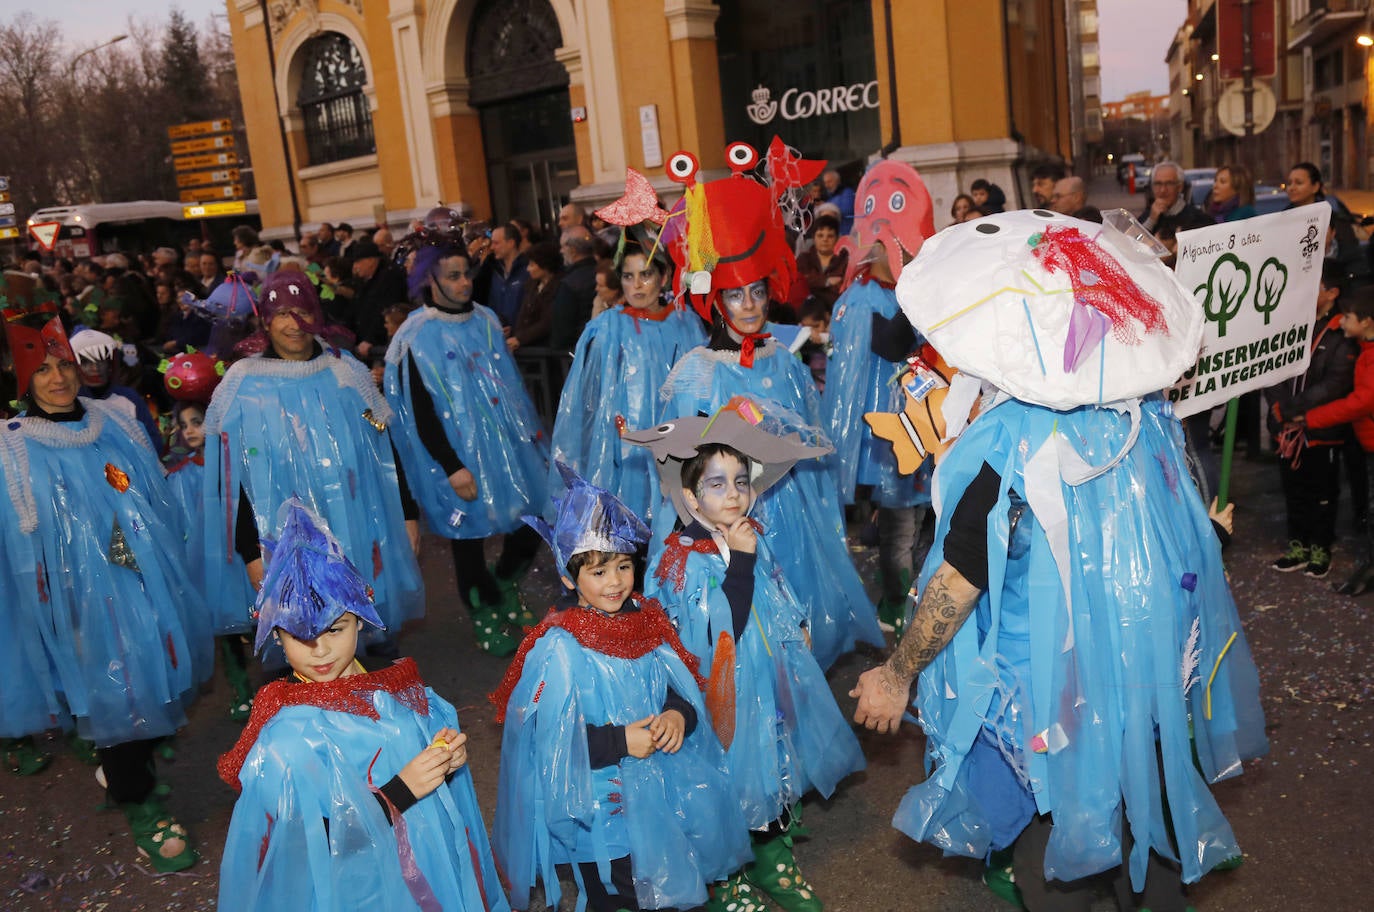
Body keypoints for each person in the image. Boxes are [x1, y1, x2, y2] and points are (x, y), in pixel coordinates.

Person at [850, 209, 1267, 912]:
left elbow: (961, 575)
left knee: (1060, 864)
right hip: (1143, 693)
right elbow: (1177, 546)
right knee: (1149, 841)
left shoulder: (1005, 442)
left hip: (1046, 707)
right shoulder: (1149, 423)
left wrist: (897, 674)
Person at [0, 280, 209, 872]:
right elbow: (17, 545)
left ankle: (126, 773)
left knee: (152, 680)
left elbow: (151, 495)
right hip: (75, 603)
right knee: (116, 693)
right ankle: (140, 804)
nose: (58, 379)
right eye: (43, 371)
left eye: (64, 365)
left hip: (141, 583)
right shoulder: (11, 449)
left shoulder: (112, 420)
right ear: (23, 379)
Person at [217, 499, 509, 912]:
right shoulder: (284, 740)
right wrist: (401, 790)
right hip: (354, 893)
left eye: (336, 628)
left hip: (422, 874)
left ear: (360, 620)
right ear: (277, 637)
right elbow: (301, 847)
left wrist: (445, 760)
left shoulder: (395, 690)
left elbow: (425, 776)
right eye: (300, 636)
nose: (321, 651)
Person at [658, 145, 883, 670]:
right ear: (716, 301)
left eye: (758, 291)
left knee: (801, 632)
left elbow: (810, 435)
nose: (752, 305)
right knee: (748, 640)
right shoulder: (698, 370)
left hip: (790, 512)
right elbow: (680, 468)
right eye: (737, 295)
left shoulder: (783, 358)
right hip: (733, 520)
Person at [632, 405, 865, 912]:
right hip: (720, 698)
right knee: (732, 779)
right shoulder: (682, 557)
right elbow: (721, 633)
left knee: (776, 766)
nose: (734, 492)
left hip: (767, 680)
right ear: (691, 496)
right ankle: (725, 877)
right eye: (717, 484)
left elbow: (774, 587)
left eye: (740, 480)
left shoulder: (745, 532)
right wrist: (740, 561)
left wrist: (795, 625)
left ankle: (771, 856)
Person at [490, 465, 751, 912]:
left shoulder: (648, 622)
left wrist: (677, 715)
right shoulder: (559, 647)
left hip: (660, 794)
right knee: (614, 896)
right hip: (600, 809)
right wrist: (620, 740)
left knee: (669, 884)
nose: (614, 582)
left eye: (624, 566)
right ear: (570, 578)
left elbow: (679, 687)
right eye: (598, 572)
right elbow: (545, 742)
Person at [203, 271, 425, 655]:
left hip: (358, 532)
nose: (295, 324)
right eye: (284, 313)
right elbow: (231, 483)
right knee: (308, 650)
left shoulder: (346, 372)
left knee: (369, 645)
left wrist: (407, 513)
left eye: (303, 311)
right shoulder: (242, 386)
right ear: (266, 320)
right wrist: (251, 553)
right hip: (287, 547)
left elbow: (383, 450)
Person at [384, 215, 549, 656]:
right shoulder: (414, 337)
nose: (464, 284)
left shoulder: (488, 319)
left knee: (532, 519)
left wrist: (531, 443)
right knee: (469, 539)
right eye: (452, 276)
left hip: (509, 450)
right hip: (456, 458)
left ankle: (504, 586)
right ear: (430, 280)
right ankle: (484, 609)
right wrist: (452, 465)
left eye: (466, 274)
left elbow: (511, 386)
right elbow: (418, 411)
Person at [822, 157, 938, 632]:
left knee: (914, 528)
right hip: (890, 439)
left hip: (923, 426)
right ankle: (896, 606)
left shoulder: (908, 292)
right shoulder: (864, 297)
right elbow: (885, 347)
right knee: (899, 531)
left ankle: (909, 598)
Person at [550, 234, 705, 521]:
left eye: (645, 274)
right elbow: (587, 398)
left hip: (679, 445)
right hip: (624, 448)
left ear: (663, 276)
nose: (636, 285)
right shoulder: (608, 327)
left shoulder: (686, 324)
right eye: (627, 276)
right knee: (627, 526)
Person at [1265, 260, 1358, 580]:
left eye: (1314, 284)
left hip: (1321, 428)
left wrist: (1293, 411)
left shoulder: (1341, 330)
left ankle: (1321, 547)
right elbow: (1271, 367)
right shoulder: (1294, 322)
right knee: (1293, 489)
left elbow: (1337, 382)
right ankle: (1297, 545)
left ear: (1332, 292)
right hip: (1287, 428)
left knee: (1323, 491)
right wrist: (1278, 410)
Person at [1290, 286, 1374, 594]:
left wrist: (1311, 418)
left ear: (1366, 322)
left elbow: (1360, 402)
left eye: (1348, 318)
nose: (1341, 323)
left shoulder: (1369, 357)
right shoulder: (1365, 348)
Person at [1140, 161, 1214, 255]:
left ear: (1180, 187)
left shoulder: (1198, 218)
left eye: (1169, 184)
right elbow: (1132, 246)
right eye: (1158, 184)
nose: (1163, 190)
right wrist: (1151, 220)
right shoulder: (1147, 216)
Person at [508, 241, 561, 352]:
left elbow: (547, 322)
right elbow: (522, 315)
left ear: (544, 265)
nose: (528, 269)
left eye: (532, 264)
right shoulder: (531, 286)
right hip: (526, 346)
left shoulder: (559, 287)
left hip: (546, 349)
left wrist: (520, 338)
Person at [794, 214, 847, 309]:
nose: (825, 239)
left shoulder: (845, 260)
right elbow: (799, 283)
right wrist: (826, 282)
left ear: (837, 238)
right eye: (820, 235)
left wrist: (814, 283)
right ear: (813, 238)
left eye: (830, 236)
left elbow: (843, 288)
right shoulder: (803, 259)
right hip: (806, 312)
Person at [819, 169, 856, 235]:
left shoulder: (847, 192)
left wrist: (829, 209)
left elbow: (847, 210)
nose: (827, 185)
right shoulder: (828, 197)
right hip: (835, 234)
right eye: (825, 183)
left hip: (848, 232)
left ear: (837, 181)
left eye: (829, 182)